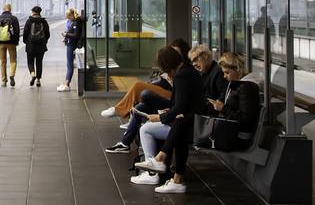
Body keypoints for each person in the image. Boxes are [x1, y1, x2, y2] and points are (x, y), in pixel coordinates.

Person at [130, 46, 199, 193]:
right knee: (178, 133)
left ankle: (152, 170)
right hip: (191, 120)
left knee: (146, 129)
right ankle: (176, 179)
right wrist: (172, 112)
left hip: (190, 124)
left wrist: (161, 117)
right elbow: (184, 104)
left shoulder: (181, 76)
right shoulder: (189, 71)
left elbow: (180, 105)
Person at [99, 37, 189, 120]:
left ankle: (118, 110)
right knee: (141, 91)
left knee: (139, 87)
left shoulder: (183, 70)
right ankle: (125, 114)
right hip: (168, 91)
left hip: (173, 96)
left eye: (176, 52)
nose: (173, 55)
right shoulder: (175, 69)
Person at [199, 50, 261, 152]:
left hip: (238, 137)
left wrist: (223, 108)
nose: (224, 76)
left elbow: (245, 118)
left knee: (187, 132)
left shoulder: (246, 87)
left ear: (237, 69)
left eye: (227, 72)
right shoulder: (237, 85)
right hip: (232, 132)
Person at [22, 6, 51, 86]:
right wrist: (44, 41)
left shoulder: (29, 21)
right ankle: (38, 80)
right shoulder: (44, 22)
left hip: (30, 45)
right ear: (40, 12)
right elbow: (48, 34)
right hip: (41, 45)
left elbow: (25, 33)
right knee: (39, 62)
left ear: (32, 12)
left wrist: (26, 42)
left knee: (30, 62)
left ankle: (32, 74)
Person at [0, 4, 21, 87]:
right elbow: (17, 31)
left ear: (3, 9)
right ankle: (12, 75)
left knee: (3, 62)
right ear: (10, 9)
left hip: (1, 42)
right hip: (11, 43)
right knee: (13, 60)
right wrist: (16, 42)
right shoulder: (14, 18)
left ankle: (4, 81)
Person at [56, 8, 84, 91]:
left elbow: (76, 35)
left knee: (69, 65)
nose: (68, 19)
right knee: (69, 64)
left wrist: (66, 34)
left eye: (68, 17)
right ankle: (66, 82)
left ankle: (67, 84)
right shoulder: (75, 22)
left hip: (71, 45)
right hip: (70, 44)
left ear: (71, 15)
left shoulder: (76, 22)